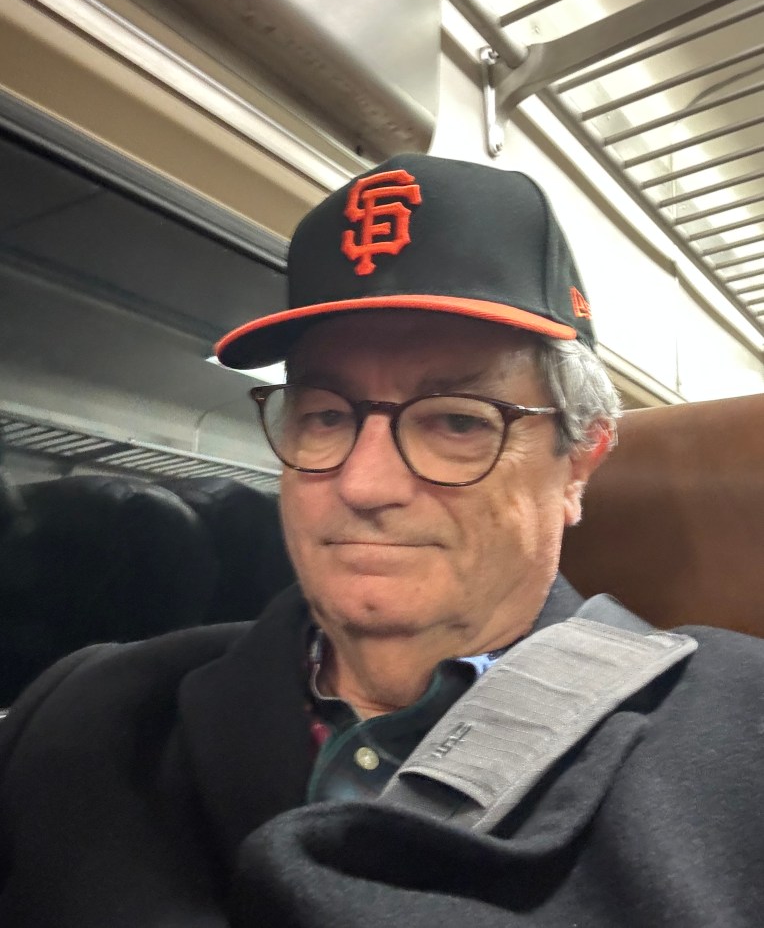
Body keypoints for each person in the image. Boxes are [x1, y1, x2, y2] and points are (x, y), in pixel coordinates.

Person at [1, 154, 763, 927]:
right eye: (326, 415)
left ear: (578, 464)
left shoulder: (744, 735)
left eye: (458, 420)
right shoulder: (86, 714)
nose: (365, 484)